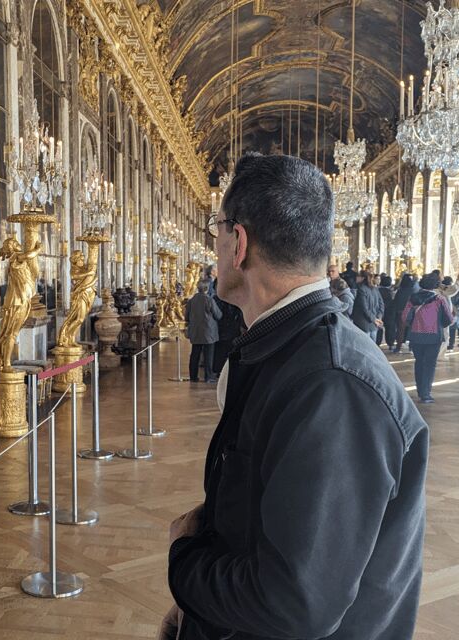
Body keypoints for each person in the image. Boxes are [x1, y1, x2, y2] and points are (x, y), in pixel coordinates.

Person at [161, 153, 428, 640]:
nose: (214, 248)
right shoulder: (287, 349)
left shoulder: (332, 383)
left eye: (217, 231)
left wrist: (186, 559)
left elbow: (295, 604)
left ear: (238, 242)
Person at [402, 273, 454, 403]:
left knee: (419, 362)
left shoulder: (413, 298)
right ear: (436, 285)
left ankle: (420, 390)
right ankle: (426, 394)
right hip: (433, 336)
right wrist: (440, 324)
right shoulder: (439, 299)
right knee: (430, 364)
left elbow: (405, 317)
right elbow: (449, 318)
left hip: (416, 335)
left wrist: (414, 325)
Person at [185, 280, 222, 382]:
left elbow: (186, 317)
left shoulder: (191, 301)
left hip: (196, 332)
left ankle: (193, 376)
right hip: (208, 332)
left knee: (195, 354)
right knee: (208, 355)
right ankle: (208, 377)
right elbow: (218, 315)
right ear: (206, 289)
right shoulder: (209, 300)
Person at [212, 280, 243, 375]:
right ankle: (219, 370)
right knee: (220, 351)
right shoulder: (216, 299)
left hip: (230, 329)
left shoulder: (232, 300)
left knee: (228, 351)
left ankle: (226, 370)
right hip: (221, 329)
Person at [351, 270, 385, 341]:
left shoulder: (361, 289)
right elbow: (381, 304)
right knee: (373, 347)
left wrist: (374, 319)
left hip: (363, 322)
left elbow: (364, 308)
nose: (356, 278)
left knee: (364, 346)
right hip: (374, 323)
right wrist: (379, 317)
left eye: (358, 276)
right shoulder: (375, 289)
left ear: (362, 278)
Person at [392, 273, 419, 353]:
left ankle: (398, 347)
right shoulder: (413, 291)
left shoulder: (400, 291)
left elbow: (396, 302)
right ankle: (411, 347)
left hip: (401, 312)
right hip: (411, 312)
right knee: (412, 330)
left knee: (400, 330)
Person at [379, 275, 396, 348]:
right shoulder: (391, 292)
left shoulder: (377, 290)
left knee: (379, 327)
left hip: (379, 311)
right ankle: (390, 343)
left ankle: (377, 342)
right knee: (390, 328)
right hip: (389, 312)